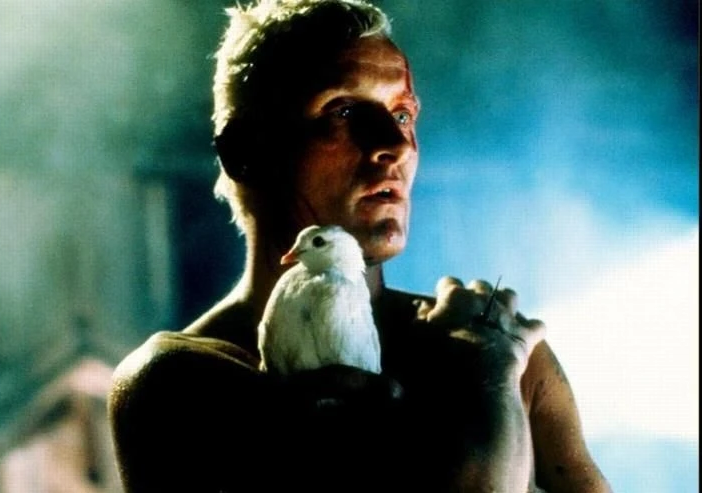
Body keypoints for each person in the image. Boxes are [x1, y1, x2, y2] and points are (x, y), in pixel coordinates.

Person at [108, 1, 612, 491]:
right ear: (245, 151)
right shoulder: (178, 382)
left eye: (402, 115)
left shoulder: (506, 351)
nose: (394, 144)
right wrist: (487, 387)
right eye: (344, 110)